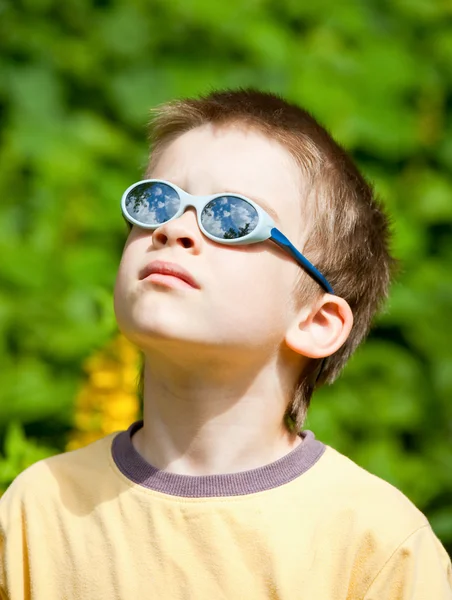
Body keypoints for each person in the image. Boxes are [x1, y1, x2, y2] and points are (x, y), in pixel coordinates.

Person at [1, 89, 451, 599]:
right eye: (156, 203)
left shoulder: (378, 545)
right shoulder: (34, 511)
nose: (173, 229)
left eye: (232, 218)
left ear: (317, 321)